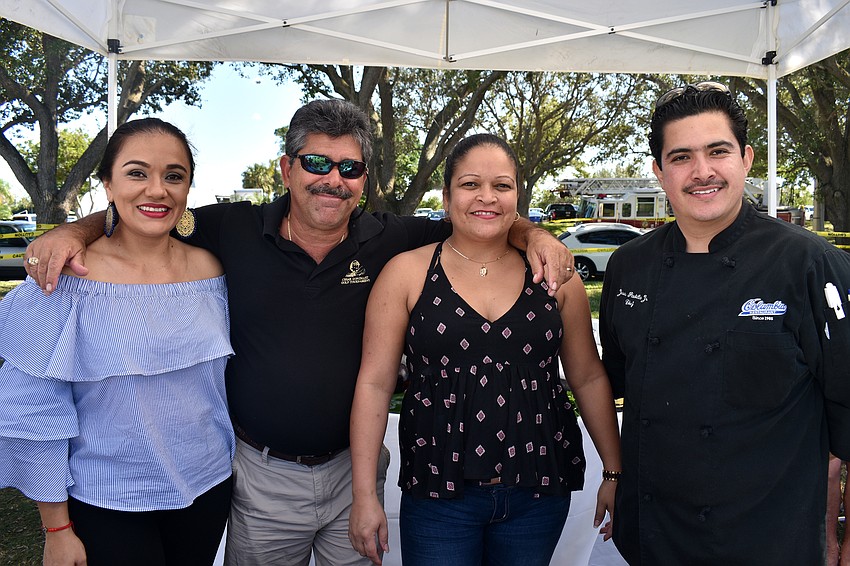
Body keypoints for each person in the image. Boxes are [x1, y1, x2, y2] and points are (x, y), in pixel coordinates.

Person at [24, 99, 574, 565]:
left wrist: (537, 234)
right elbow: (154, 208)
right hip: (260, 476)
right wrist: (75, 228)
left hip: (353, 472)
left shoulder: (391, 238)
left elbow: (482, 215)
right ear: (286, 169)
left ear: (365, 179)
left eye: (350, 168)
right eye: (316, 162)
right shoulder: (230, 229)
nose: (333, 180)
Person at [598, 81, 850, 564]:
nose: (702, 172)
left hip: (769, 538)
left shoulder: (808, 263)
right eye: (681, 157)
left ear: (747, 159)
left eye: (718, 151)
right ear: (658, 171)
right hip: (654, 536)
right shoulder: (629, 267)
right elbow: (617, 384)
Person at [348, 133, 621, 566]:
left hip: (538, 490)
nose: (487, 197)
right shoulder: (407, 272)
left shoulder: (553, 274)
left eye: (502, 185)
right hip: (439, 493)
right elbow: (375, 384)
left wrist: (613, 469)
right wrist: (364, 495)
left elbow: (587, 376)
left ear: (518, 195)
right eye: (471, 184)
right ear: (447, 195)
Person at [0, 118, 234, 565]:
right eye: (136, 173)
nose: (156, 190)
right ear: (107, 184)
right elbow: (32, 411)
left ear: (187, 190)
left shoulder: (212, 270)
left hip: (207, 488)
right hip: (107, 500)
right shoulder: (65, 279)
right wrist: (57, 529)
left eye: (173, 176)